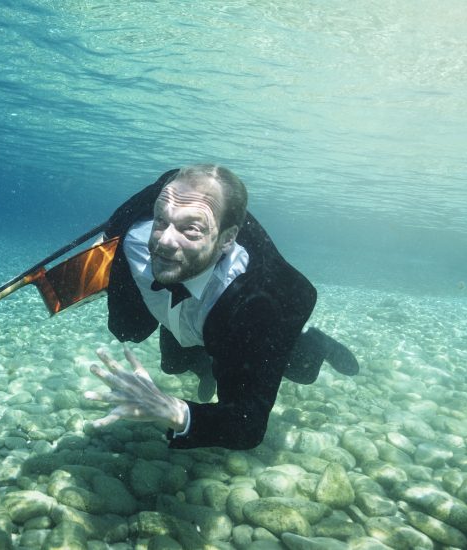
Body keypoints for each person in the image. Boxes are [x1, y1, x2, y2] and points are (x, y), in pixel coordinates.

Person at [84, 165, 359, 450]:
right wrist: (104, 240)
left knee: (301, 370)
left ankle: (317, 343)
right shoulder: (136, 236)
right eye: (161, 220)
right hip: (202, 303)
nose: (164, 242)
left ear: (228, 239)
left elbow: (248, 425)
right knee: (173, 364)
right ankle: (208, 364)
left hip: (259, 309)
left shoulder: (260, 304)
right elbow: (167, 183)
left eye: (190, 229)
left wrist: (173, 411)